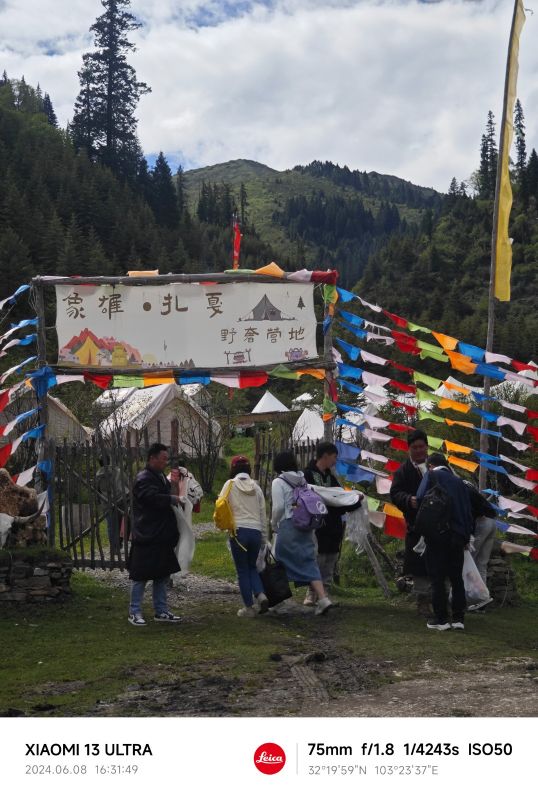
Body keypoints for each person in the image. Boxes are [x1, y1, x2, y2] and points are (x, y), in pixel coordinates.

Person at [416, 453, 473, 631]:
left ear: (430, 465)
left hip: (437, 535)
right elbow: (467, 511)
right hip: (458, 536)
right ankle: (458, 619)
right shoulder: (460, 482)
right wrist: (466, 536)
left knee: (437, 578)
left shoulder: (431, 475)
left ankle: (441, 620)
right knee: (457, 578)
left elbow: (420, 497)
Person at [271, 450, 333, 616]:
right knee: (308, 561)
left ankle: (278, 600)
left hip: (288, 525)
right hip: (305, 526)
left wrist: (273, 523)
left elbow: (278, 507)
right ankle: (323, 599)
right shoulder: (302, 479)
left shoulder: (278, 482)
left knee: (280, 561)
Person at [127, 443, 182, 626]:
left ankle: (161, 610)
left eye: (167, 459)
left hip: (161, 533)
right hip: (146, 533)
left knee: (161, 574)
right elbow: (150, 498)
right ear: (152, 458)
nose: (166, 463)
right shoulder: (143, 478)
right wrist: (171, 499)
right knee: (140, 576)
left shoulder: (159, 476)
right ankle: (134, 612)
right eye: (163, 459)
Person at [303, 441, 361, 604]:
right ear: (325, 456)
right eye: (334, 457)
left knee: (330, 559)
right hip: (317, 524)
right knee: (317, 558)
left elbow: (340, 499)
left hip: (333, 524)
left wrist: (355, 500)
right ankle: (311, 592)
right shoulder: (307, 475)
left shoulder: (331, 478)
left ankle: (325, 592)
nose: (335, 461)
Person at [218, 455, 269, 617]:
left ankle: (248, 608)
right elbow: (263, 514)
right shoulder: (257, 488)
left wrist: (223, 525)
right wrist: (264, 539)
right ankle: (261, 595)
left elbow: (220, 505)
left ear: (232, 469)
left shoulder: (229, 484)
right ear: (249, 469)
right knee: (252, 567)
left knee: (242, 570)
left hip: (238, 532)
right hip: (256, 532)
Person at [390, 430, 431, 615]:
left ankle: (442, 600)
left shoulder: (436, 466)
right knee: (419, 566)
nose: (419, 450)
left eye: (422, 446)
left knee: (440, 563)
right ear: (409, 449)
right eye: (415, 447)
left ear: (427, 447)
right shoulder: (403, 471)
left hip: (440, 525)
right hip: (416, 524)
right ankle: (422, 601)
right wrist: (408, 500)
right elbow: (395, 493)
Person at [463, 479, 496, 610]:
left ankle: (471, 597)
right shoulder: (469, 487)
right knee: (482, 563)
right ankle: (483, 598)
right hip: (492, 522)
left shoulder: (461, 490)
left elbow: (468, 514)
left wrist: (468, 535)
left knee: (470, 560)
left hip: (481, 523)